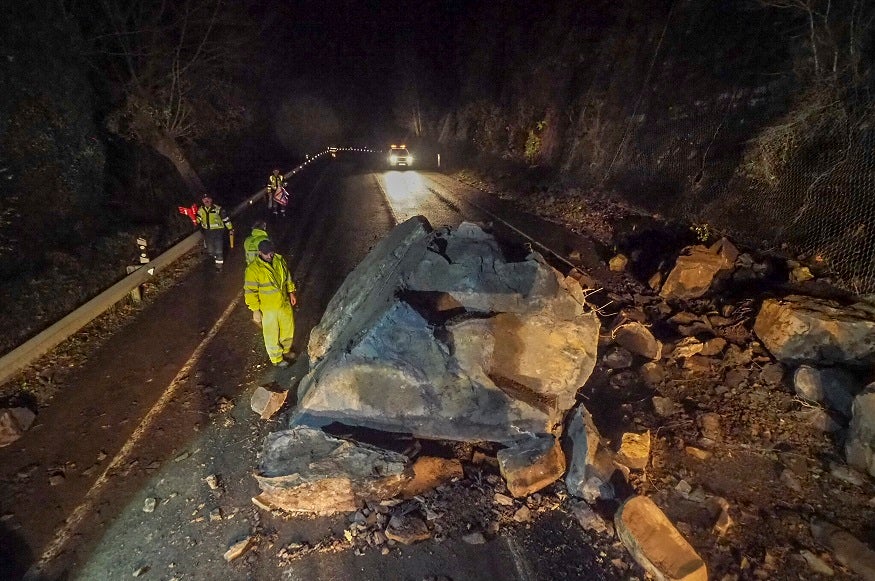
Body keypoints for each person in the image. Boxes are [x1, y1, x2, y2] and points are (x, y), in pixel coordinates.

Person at [244, 239, 297, 367]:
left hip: (283, 303)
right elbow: (250, 291)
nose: (270, 255)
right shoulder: (253, 270)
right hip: (268, 309)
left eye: (271, 252)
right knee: (271, 335)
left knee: (288, 329)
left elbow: (287, 277)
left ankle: (286, 351)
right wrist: (255, 310)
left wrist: (291, 292)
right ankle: (277, 359)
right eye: (266, 253)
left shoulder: (279, 260)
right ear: (260, 252)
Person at [196, 194, 234, 271]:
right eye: (204, 199)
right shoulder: (201, 210)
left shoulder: (218, 209)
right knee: (210, 250)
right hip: (207, 232)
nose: (206, 201)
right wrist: (194, 219)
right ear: (202, 201)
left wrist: (230, 228)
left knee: (218, 250)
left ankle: (219, 266)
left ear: (211, 200)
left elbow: (226, 219)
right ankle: (216, 256)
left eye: (208, 199)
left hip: (218, 231)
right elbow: (198, 220)